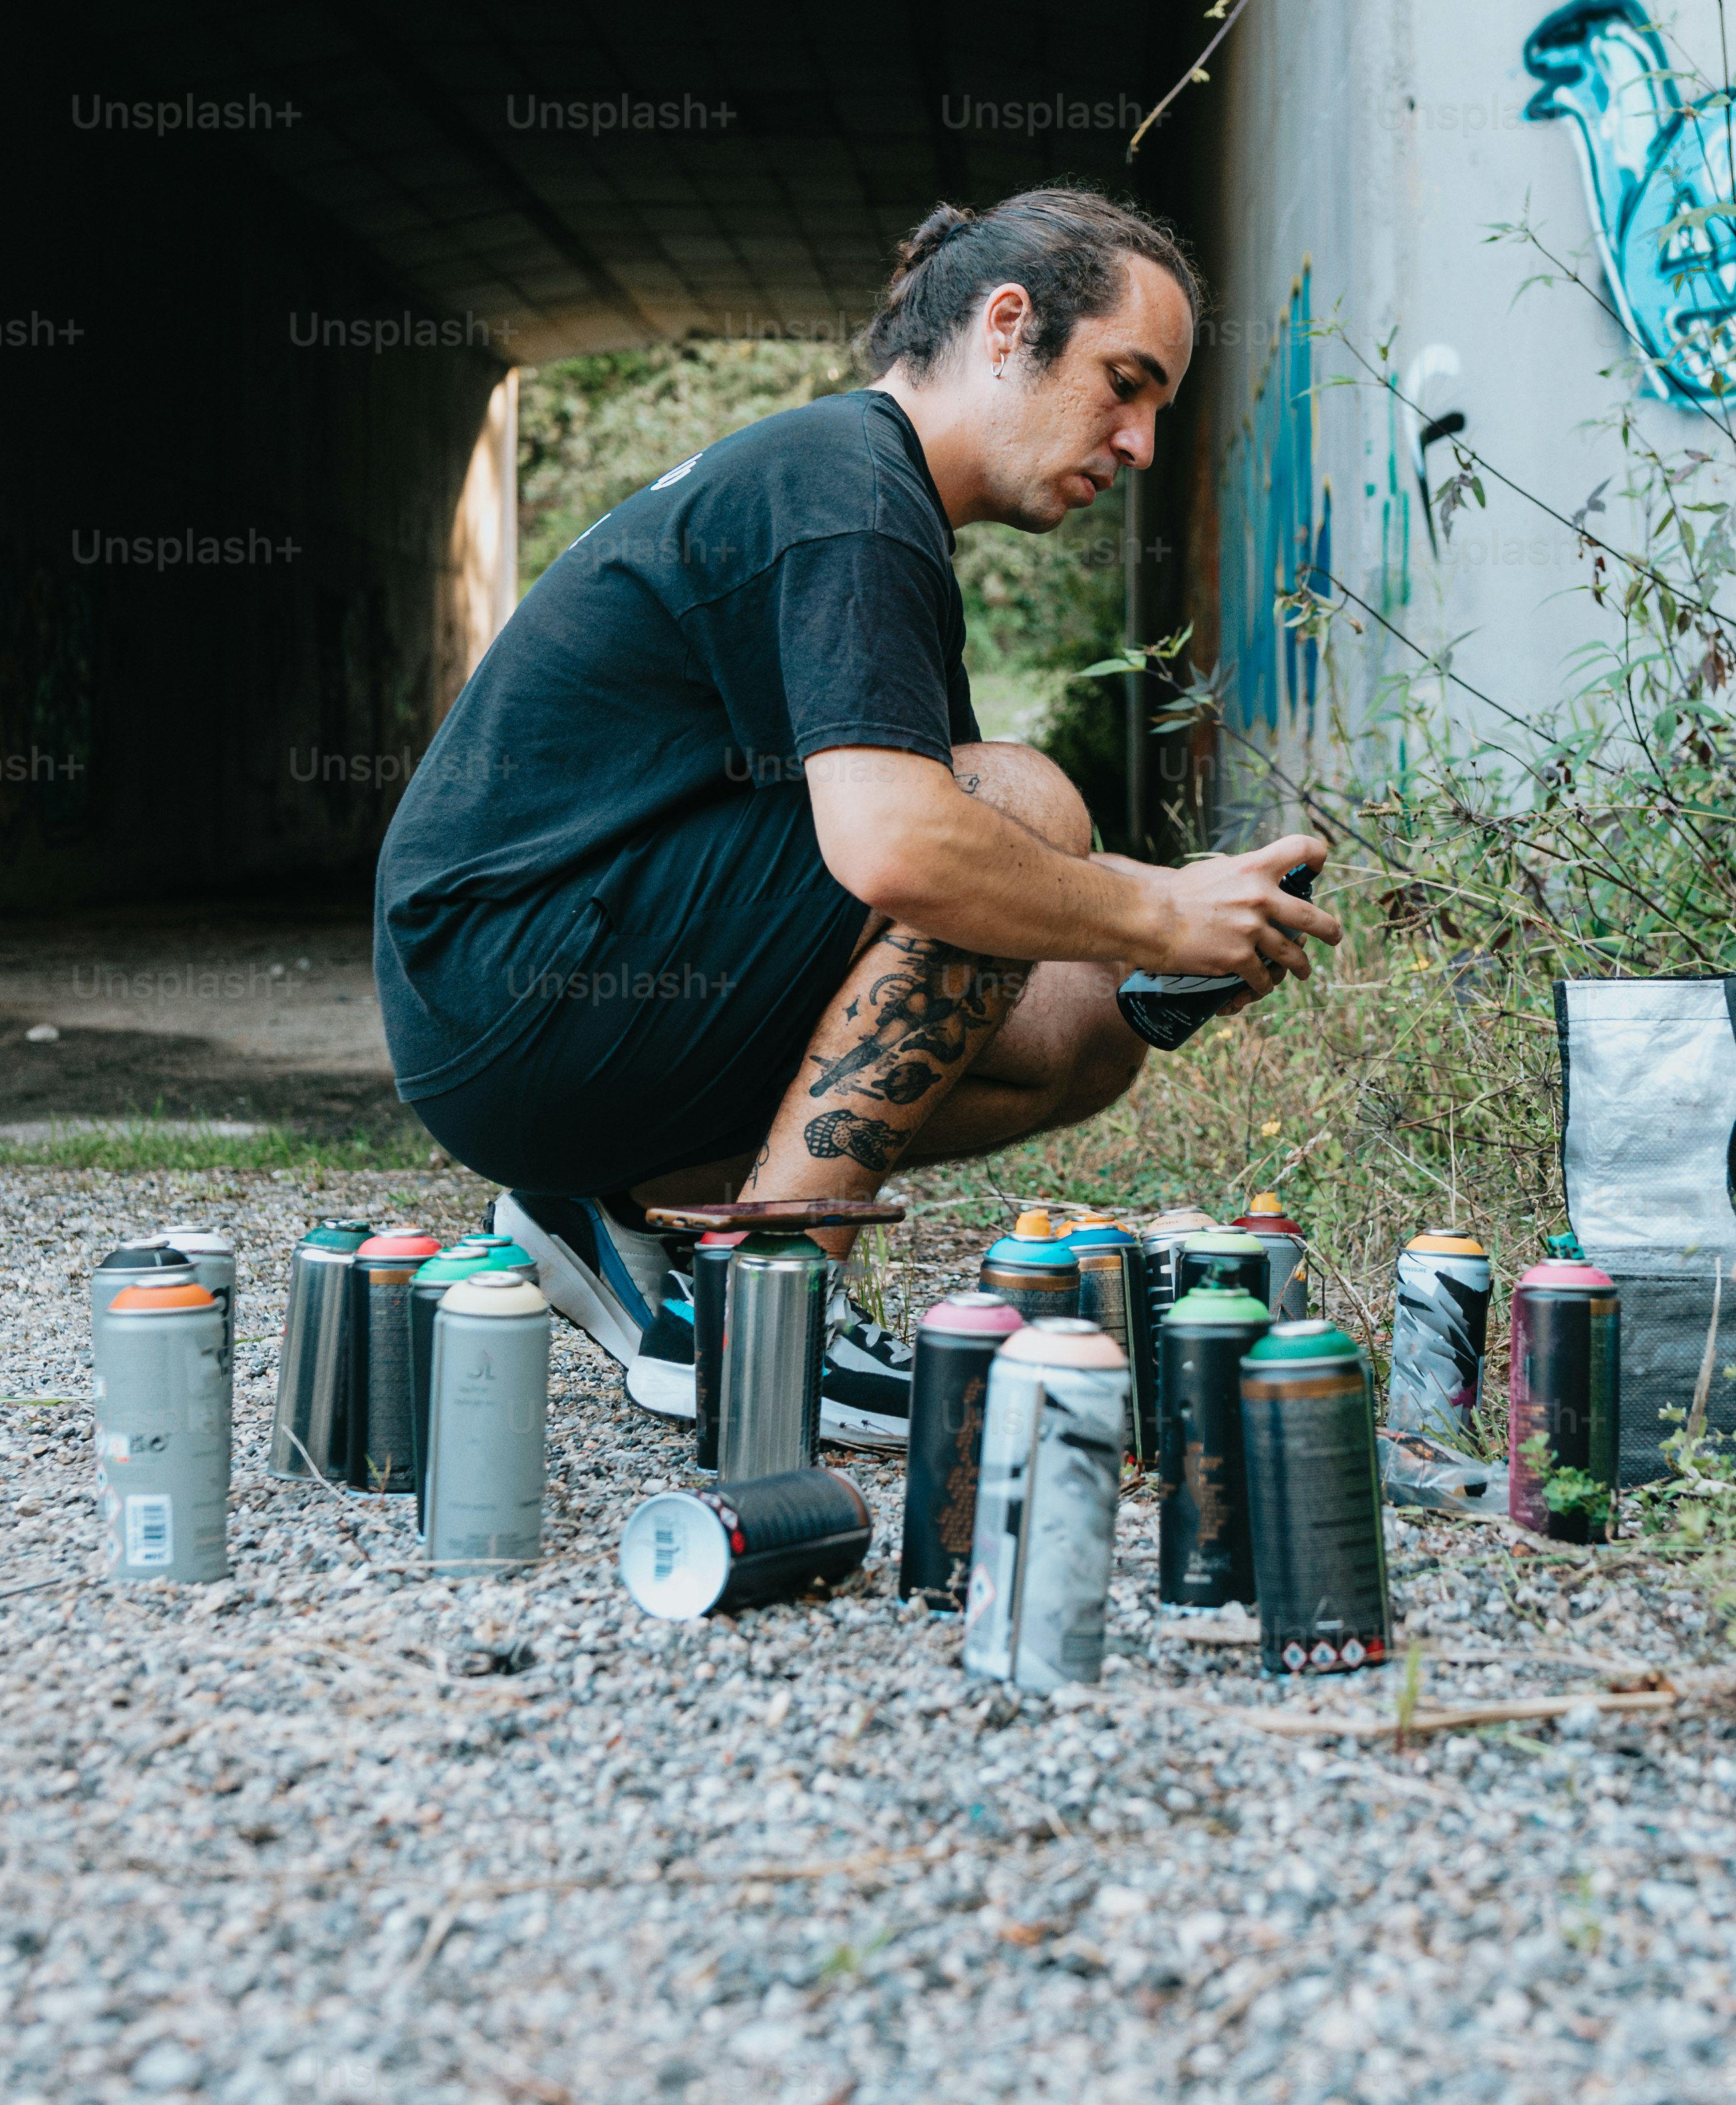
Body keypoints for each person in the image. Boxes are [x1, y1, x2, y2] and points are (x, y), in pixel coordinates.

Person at [377, 189, 1339, 1439]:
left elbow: (947, 922)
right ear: (1007, 327)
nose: (1142, 440)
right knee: (1019, 800)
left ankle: (614, 1209)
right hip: (509, 979)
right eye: (1125, 381)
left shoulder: (871, 500)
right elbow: (900, 842)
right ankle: (760, 1313)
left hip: (545, 1007)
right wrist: (1153, 903)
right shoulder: (846, 489)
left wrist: (1165, 956)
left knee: (1091, 1028)